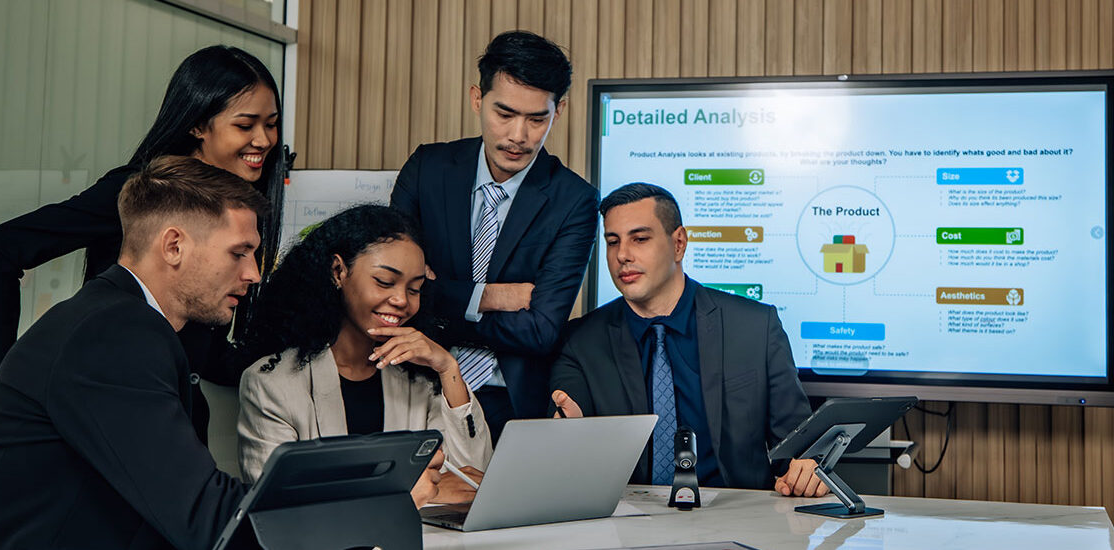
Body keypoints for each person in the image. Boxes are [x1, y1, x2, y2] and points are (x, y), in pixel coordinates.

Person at [0, 45, 285, 444]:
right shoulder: (145, 191)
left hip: (177, 415)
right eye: (245, 125)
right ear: (198, 124)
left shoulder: (239, 205)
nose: (263, 140)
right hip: (119, 416)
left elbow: (204, 352)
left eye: (271, 124)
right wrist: (14, 380)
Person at [0, 156, 266, 550]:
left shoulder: (114, 319)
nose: (254, 273)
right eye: (239, 253)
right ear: (174, 246)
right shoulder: (113, 334)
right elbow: (201, 514)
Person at [549, 183, 829, 498]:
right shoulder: (581, 341)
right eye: (612, 242)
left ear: (679, 243)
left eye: (640, 239)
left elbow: (801, 448)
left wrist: (808, 468)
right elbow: (565, 453)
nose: (622, 255)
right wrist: (568, 436)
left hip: (739, 512)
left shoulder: (756, 327)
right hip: (627, 516)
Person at [390, 31, 599, 440]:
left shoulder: (575, 200)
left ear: (558, 111)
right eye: (504, 113)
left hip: (510, 403)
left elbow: (541, 330)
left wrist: (437, 299)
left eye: (537, 119)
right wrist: (488, 296)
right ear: (477, 99)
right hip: (412, 387)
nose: (519, 135)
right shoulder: (427, 169)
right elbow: (391, 290)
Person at [234, 205, 491, 505]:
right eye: (384, 282)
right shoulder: (272, 384)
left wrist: (448, 368)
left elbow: (470, 482)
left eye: (415, 289)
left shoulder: (421, 379)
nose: (401, 300)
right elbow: (279, 507)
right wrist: (404, 493)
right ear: (338, 272)